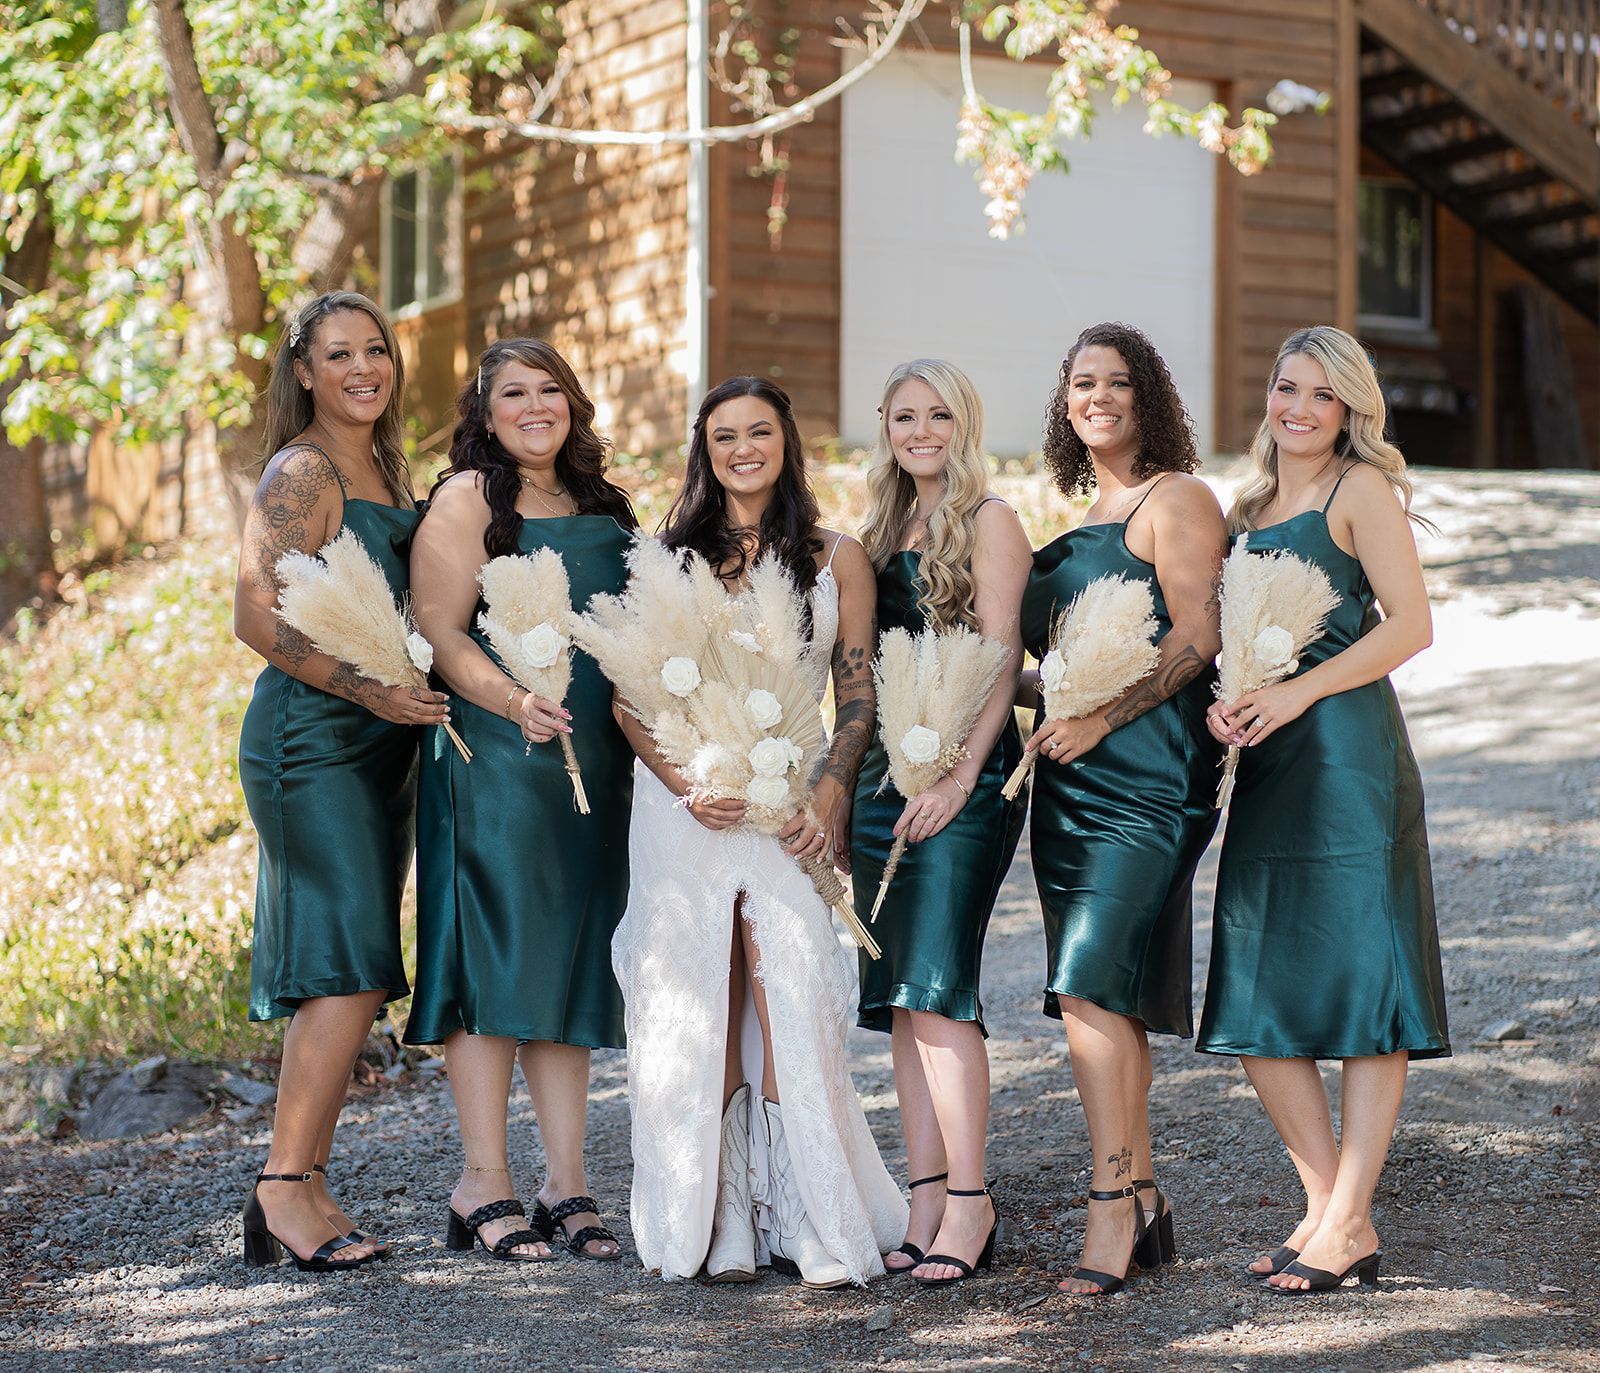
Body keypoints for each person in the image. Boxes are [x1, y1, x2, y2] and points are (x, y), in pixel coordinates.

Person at [613, 375, 906, 1288]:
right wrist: (682, 782)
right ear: (705, 450)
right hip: (689, 807)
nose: (743, 448)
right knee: (709, 990)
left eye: (760, 431)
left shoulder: (836, 557)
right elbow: (629, 697)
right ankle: (724, 1213)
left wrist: (831, 789)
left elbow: (856, 691)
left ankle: (807, 1211)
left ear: (787, 442)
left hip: (792, 802)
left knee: (793, 986)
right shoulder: (670, 557)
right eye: (724, 435)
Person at [1198, 324, 1449, 1295]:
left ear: (1349, 408)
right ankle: (1327, 1210)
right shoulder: (1249, 506)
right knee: (1257, 986)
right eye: (1284, 387)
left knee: (1360, 983)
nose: (1297, 408)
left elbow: (1412, 626)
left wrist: (1301, 692)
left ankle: (1345, 1220)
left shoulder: (1359, 491)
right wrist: (1234, 695)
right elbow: (1246, 636)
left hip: (1348, 760)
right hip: (1267, 762)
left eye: (1319, 394)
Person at [405, 338, 638, 1263]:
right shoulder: (467, 499)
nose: (535, 406)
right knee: (496, 952)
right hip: (498, 756)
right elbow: (438, 627)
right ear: (485, 410)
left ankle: (565, 1181)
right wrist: (510, 701)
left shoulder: (603, 507)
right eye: (514, 393)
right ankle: (482, 1179)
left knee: (572, 956)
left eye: (550, 389)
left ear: (573, 403)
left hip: (594, 762)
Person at [234, 290, 449, 1271]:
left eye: (377, 350)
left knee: (347, 965)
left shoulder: (386, 468)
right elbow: (257, 615)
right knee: (352, 960)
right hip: (312, 739)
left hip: (380, 747)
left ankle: (306, 1180)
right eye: (339, 354)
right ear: (305, 371)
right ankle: (281, 1186)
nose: (364, 367)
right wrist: (366, 686)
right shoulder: (304, 468)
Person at [1021, 322, 1227, 1297]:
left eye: (1116, 382)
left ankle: (1106, 1206)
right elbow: (1055, 663)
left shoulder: (1175, 498)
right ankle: (1142, 1193)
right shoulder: (1088, 507)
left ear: (1148, 394)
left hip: (1148, 775)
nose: (1096, 396)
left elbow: (1198, 633)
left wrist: (1103, 713)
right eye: (1080, 384)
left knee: (1087, 984)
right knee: (1106, 989)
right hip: (1065, 781)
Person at [850, 358, 1032, 1287]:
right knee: (898, 1003)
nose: (921, 431)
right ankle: (924, 1197)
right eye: (905, 416)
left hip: (966, 776)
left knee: (939, 984)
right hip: (883, 785)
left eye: (939, 415)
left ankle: (972, 1199)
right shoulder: (880, 530)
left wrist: (963, 776)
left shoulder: (991, 521)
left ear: (965, 423)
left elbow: (1001, 662)